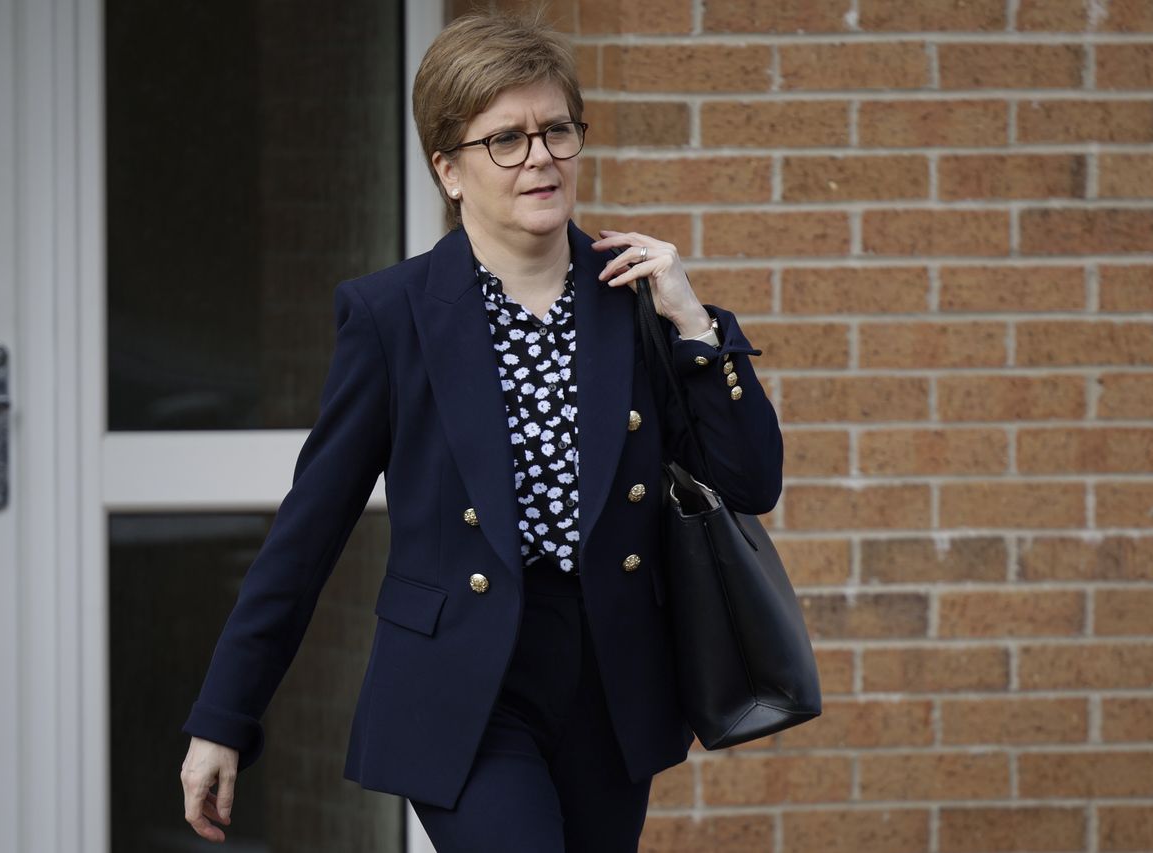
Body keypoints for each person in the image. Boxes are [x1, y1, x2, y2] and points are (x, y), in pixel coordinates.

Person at [179, 7, 782, 851]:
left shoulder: (638, 301)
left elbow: (752, 482)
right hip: (461, 688)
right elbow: (307, 532)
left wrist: (695, 329)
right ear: (449, 170)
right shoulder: (391, 316)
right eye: (506, 139)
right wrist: (224, 716)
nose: (539, 156)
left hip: (613, 685)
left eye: (556, 130)